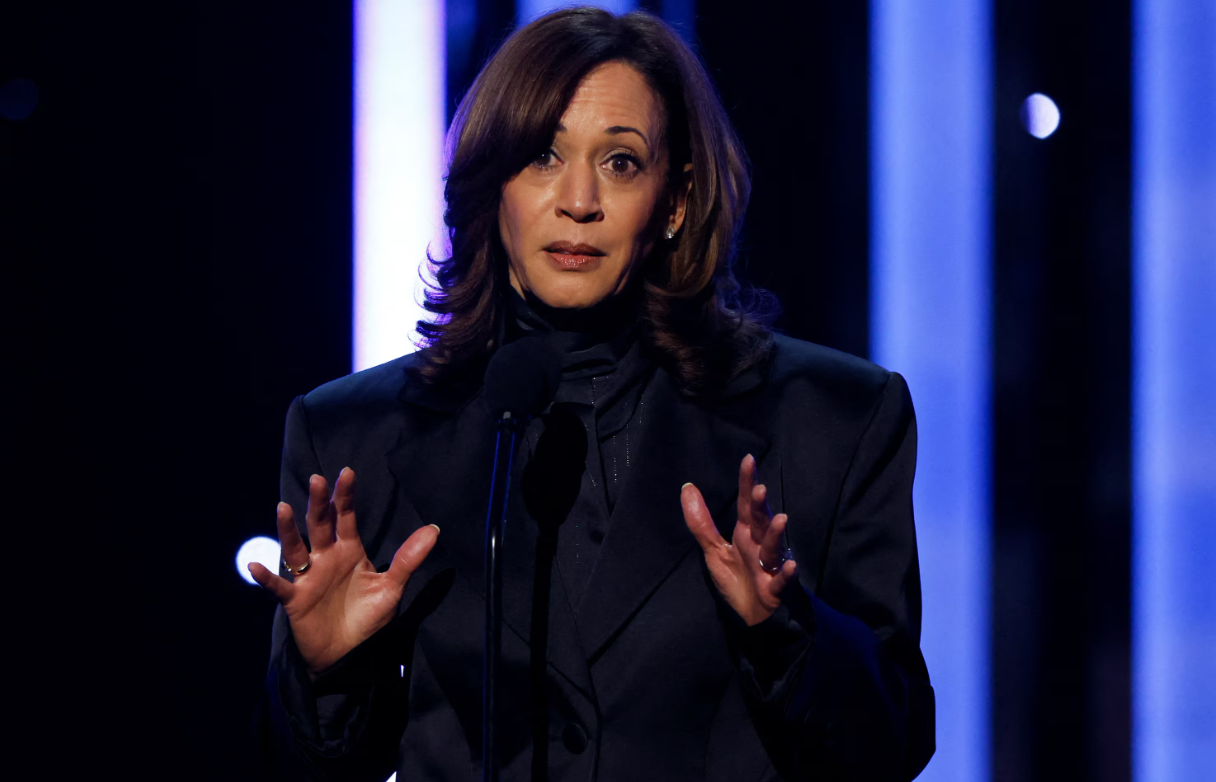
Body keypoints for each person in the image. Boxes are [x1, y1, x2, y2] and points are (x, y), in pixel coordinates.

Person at [250, 7, 934, 781]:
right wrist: (328, 672)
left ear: (675, 202)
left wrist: (783, 634)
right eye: (542, 155)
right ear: (491, 184)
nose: (579, 200)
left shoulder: (834, 418)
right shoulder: (354, 434)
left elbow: (894, 746)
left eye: (621, 162)